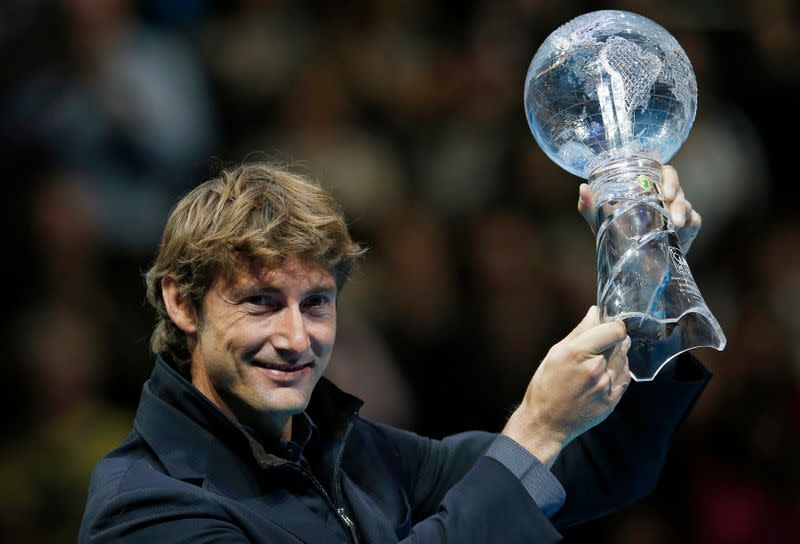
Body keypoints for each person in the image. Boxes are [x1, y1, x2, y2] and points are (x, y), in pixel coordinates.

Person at [79, 161, 709, 543]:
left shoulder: (356, 454)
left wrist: (641, 271)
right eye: (262, 303)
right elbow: (532, 457)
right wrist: (536, 429)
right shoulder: (144, 506)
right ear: (183, 305)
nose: (297, 339)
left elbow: (598, 469)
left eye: (317, 303)